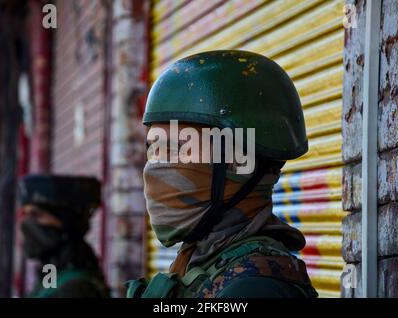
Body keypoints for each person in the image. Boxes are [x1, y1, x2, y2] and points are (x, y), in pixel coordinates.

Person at [125, 50, 318, 298]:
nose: (155, 169)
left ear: (238, 161)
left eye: (175, 149)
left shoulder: (255, 287)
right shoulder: (204, 263)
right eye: (154, 151)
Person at [18, 175, 110, 298]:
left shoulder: (76, 288)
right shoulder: (52, 275)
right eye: (26, 214)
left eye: (36, 215)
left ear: (65, 221)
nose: (27, 223)